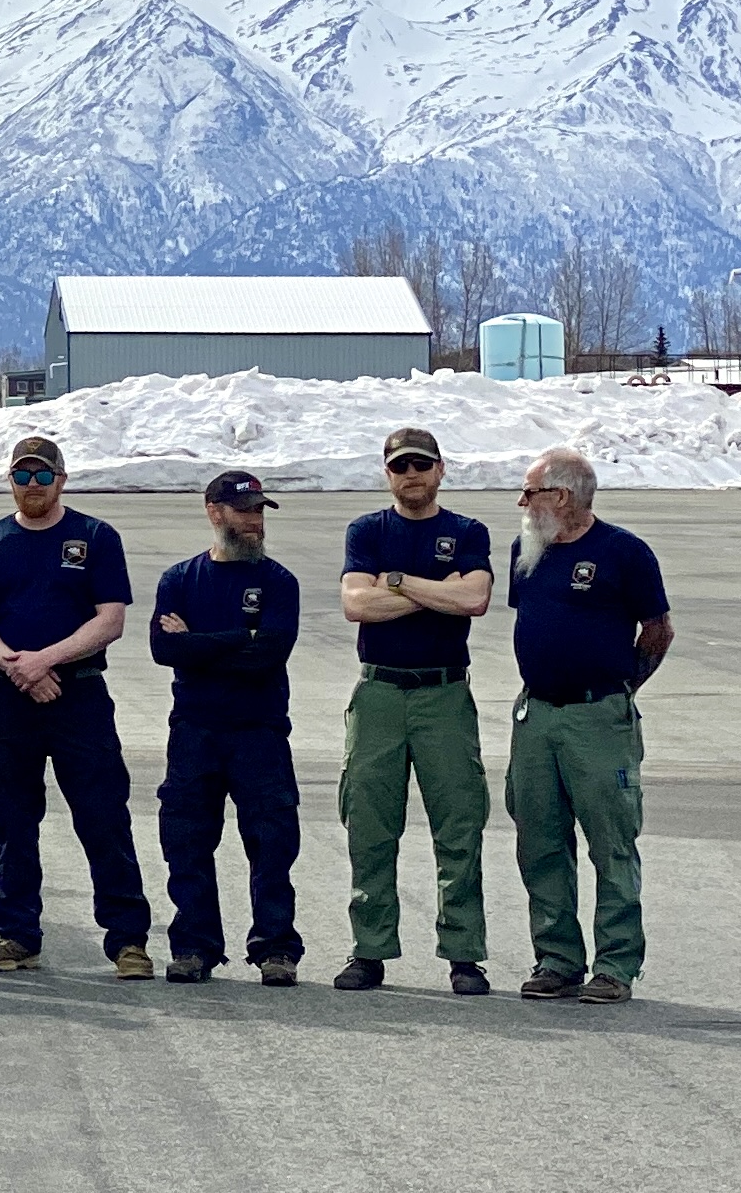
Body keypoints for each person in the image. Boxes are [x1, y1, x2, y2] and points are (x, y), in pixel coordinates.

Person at [0, 435, 151, 977]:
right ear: (10, 481)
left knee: (103, 815)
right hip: (10, 696)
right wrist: (16, 667)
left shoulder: (95, 537)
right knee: (13, 820)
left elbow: (109, 618)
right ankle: (17, 935)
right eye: (23, 476)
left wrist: (46, 661)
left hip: (80, 696)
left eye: (43, 475)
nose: (33, 485)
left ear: (61, 479)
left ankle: (128, 940)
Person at [335, 423, 497, 994]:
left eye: (421, 465)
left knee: (459, 824)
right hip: (380, 692)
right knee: (371, 825)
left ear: (440, 469)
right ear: (387, 473)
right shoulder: (368, 530)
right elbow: (357, 604)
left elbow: (473, 598)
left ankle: (464, 953)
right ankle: (370, 949)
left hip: (444, 695)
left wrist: (399, 583)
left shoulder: (467, 531)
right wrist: (435, 592)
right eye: (400, 466)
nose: (412, 476)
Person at [504, 446, 668, 1003]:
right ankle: (557, 959)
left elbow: (657, 630)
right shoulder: (526, 552)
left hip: (598, 718)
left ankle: (616, 964)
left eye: (532, 492)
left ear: (564, 496)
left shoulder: (624, 552)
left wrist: (621, 689)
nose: (523, 503)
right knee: (540, 842)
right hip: (536, 716)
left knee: (611, 842)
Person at [147, 470, 304, 984]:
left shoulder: (279, 582)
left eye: (260, 511)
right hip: (195, 731)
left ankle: (275, 948)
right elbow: (164, 649)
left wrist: (200, 643)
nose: (255, 521)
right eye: (245, 510)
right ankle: (195, 946)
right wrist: (240, 637)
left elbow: (269, 655)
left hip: (259, 731)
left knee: (271, 842)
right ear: (215, 512)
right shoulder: (179, 580)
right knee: (188, 842)